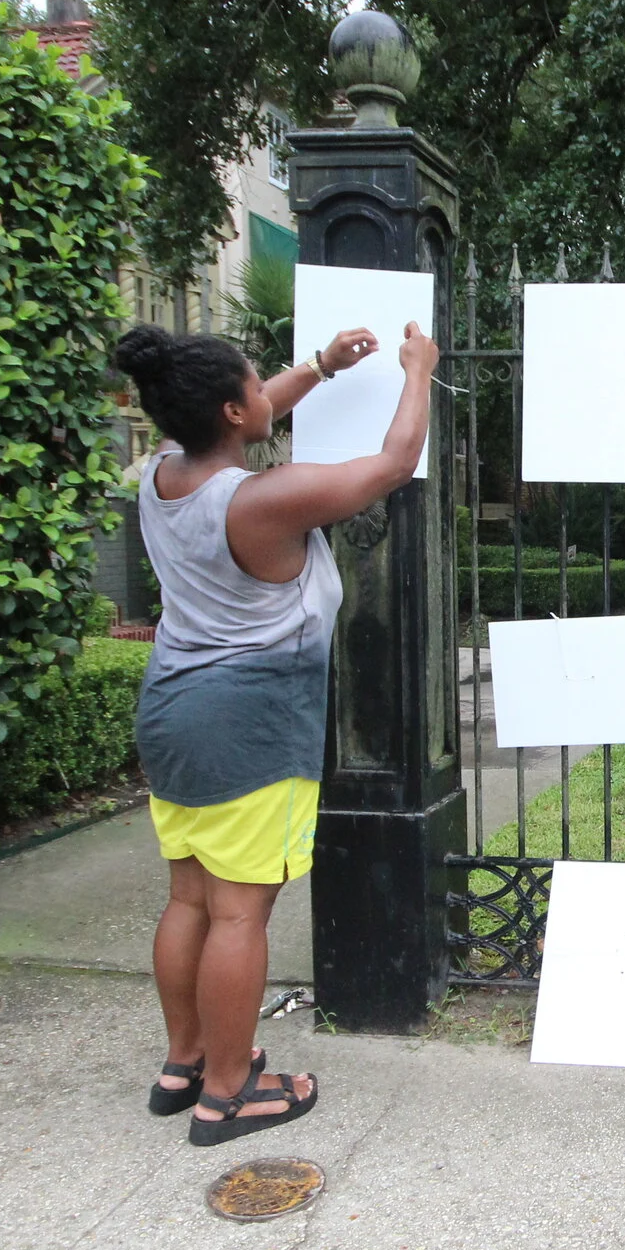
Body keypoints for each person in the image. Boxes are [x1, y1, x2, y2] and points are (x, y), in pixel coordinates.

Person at [110, 316, 437, 1146]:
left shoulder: (159, 477)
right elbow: (393, 464)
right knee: (239, 915)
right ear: (230, 412)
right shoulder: (264, 501)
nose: (269, 394)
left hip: (172, 713)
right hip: (249, 721)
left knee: (190, 895)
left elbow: (249, 411)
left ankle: (184, 1062)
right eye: (258, 386)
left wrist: (320, 368)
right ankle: (228, 1092)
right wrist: (418, 370)